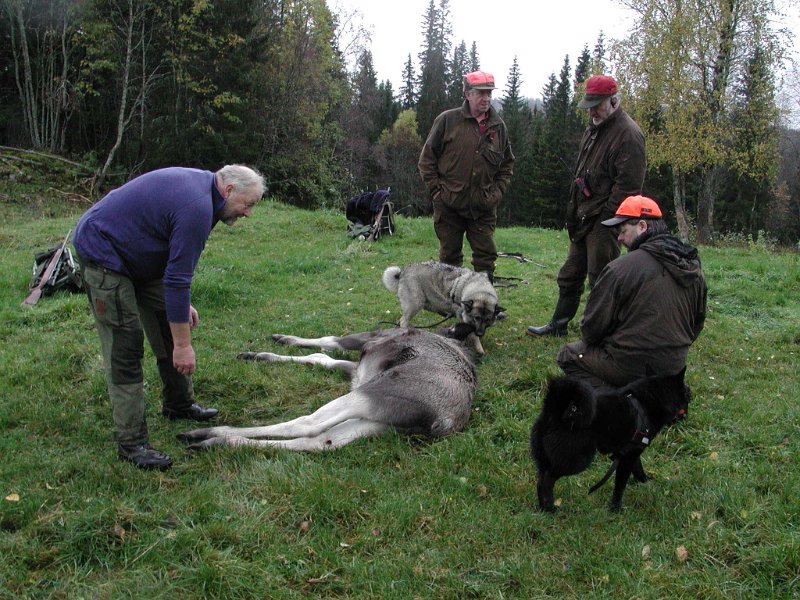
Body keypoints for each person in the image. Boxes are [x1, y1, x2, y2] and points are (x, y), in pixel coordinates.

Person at [73, 165, 266, 470]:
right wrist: (183, 347)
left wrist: (179, 305)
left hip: (137, 255)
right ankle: (132, 443)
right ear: (229, 190)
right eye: (248, 204)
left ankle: (179, 404)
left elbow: (175, 266)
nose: (248, 213)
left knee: (170, 317)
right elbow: (177, 280)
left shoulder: (206, 194)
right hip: (104, 253)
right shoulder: (197, 208)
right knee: (126, 345)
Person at [528, 74, 645, 337]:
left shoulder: (629, 134)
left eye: (596, 105)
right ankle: (558, 326)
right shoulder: (594, 127)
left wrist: (607, 220)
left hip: (605, 221)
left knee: (602, 280)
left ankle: (602, 333)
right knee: (570, 273)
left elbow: (629, 188)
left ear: (613, 101)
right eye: (588, 105)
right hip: (583, 217)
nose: (591, 111)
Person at [556, 195, 707, 392]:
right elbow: (697, 323)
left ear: (642, 226)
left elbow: (591, 329)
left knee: (568, 355)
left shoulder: (620, 269)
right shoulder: (692, 267)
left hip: (630, 364)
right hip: (674, 367)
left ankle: (621, 399)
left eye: (623, 231)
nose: (619, 238)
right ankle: (660, 392)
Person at [418, 70, 514, 280]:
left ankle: (483, 298)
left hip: (483, 207)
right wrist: (437, 193)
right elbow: (426, 160)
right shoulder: (447, 120)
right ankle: (449, 297)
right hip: (449, 205)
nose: (486, 98)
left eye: (489, 93)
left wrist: (496, 193)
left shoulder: (498, 127)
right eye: (481, 93)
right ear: (467, 94)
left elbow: (507, 165)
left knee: (486, 258)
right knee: (449, 259)